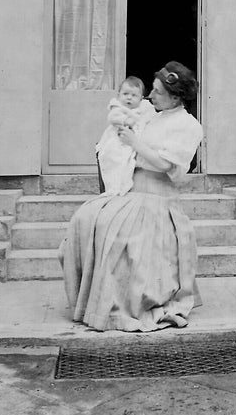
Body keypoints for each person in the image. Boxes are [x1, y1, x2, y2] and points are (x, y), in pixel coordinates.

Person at [59, 61, 204, 332]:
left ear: (175, 97)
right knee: (85, 218)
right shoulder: (152, 115)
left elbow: (165, 165)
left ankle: (123, 300)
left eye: (158, 92)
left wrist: (135, 144)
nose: (150, 95)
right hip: (131, 189)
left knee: (113, 232)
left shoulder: (188, 125)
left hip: (156, 197)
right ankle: (93, 299)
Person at [95, 76, 156, 196]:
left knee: (128, 164)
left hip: (132, 144)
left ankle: (124, 186)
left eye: (134, 95)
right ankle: (113, 187)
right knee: (113, 161)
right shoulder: (118, 107)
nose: (129, 98)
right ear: (119, 95)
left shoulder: (143, 109)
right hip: (116, 141)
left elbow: (147, 120)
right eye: (125, 94)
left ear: (141, 98)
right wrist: (125, 121)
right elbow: (113, 118)